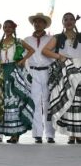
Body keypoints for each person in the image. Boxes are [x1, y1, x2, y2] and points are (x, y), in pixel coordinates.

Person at [0, 20, 35, 143]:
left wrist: (22, 60)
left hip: (14, 72)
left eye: (9, 27)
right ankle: (10, 133)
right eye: (5, 27)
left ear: (14, 28)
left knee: (15, 100)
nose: (7, 29)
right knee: (3, 101)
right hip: (2, 72)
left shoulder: (19, 41)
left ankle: (16, 134)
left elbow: (32, 50)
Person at [42, 12, 81, 144]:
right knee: (68, 99)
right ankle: (71, 134)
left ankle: (79, 133)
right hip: (65, 70)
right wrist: (59, 56)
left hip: (79, 69)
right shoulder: (57, 37)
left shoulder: (80, 36)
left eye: (71, 19)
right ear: (62, 22)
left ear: (74, 22)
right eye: (66, 19)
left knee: (78, 101)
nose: (69, 21)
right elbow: (45, 51)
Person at [24, 13, 55, 144]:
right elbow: (25, 57)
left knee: (48, 102)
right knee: (35, 102)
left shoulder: (51, 39)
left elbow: (54, 54)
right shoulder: (27, 40)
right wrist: (28, 72)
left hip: (47, 71)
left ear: (45, 24)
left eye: (40, 22)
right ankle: (37, 133)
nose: (37, 24)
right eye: (35, 22)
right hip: (33, 72)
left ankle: (50, 134)